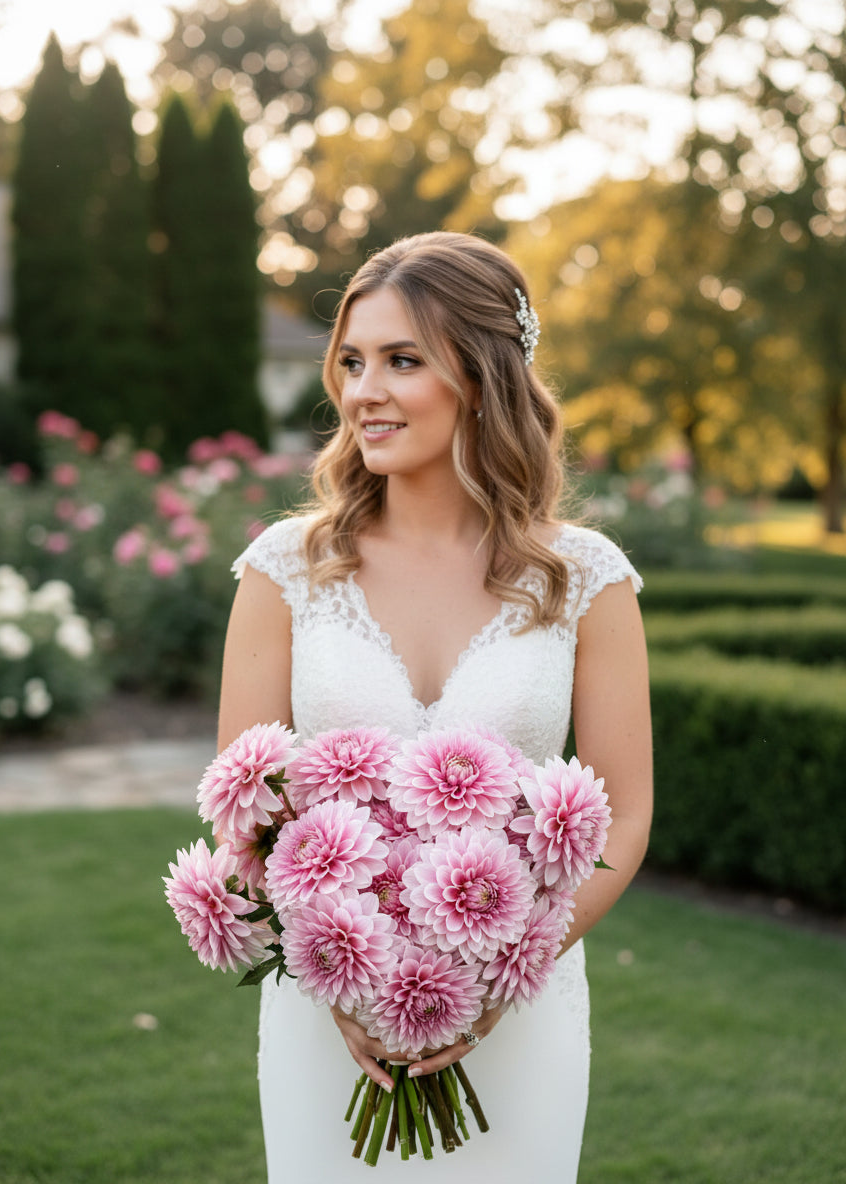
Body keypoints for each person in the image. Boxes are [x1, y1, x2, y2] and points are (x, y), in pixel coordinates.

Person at [217, 231, 653, 1182]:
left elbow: (628, 807)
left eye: (402, 361)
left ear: (484, 379)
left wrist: (496, 974)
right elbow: (240, 806)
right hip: (324, 1013)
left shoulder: (584, 579)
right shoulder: (284, 569)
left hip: (522, 1002)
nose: (364, 390)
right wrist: (334, 975)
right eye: (354, 361)